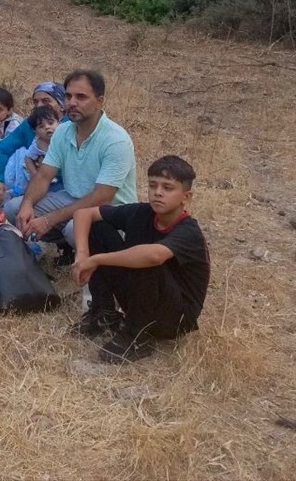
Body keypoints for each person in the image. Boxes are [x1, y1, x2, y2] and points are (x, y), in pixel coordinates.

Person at [70, 155, 211, 363]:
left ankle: (137, 336)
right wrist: (82, 255)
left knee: (148, 257)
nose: (158, 193)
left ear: (186, 197)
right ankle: (104, 314)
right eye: (153, 185)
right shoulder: (141, 212)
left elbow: (154, 256)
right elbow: (83, 214)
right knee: (99, 228)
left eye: (168, 188)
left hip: (174, 316)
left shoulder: (189, 231)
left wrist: (97, 259)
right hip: (141, 296)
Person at [12, 70, 137, 249]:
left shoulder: (116, 140)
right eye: (68, 96)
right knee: (14, 209)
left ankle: (97, 259)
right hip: (71, 198)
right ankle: (67, 248)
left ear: (99, 102)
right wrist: (27, 204)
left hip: (110, 210)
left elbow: (103, 197)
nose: (72, 103)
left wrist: (49, 220)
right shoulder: (63, 131)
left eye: (81, 97)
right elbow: (43, 176)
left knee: (75, 229)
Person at [0, 81, 67, 195]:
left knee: (13, 207)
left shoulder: (70, 127)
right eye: (36, 101)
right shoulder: (29, 125)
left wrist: (49, 169)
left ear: (62, 105)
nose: (39, 105)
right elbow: (3, 149)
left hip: (62, 184)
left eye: (46, 101)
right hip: (32, 177)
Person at [3, 105, 60, 198]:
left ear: (58, 123)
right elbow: (28, 158)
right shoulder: (38, 144)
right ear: (35, 131)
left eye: (51, 123)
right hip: (38, 173)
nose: (47, 127)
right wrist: (34, 174)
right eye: (41, 126)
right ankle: (18, 193)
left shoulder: (62, 137)